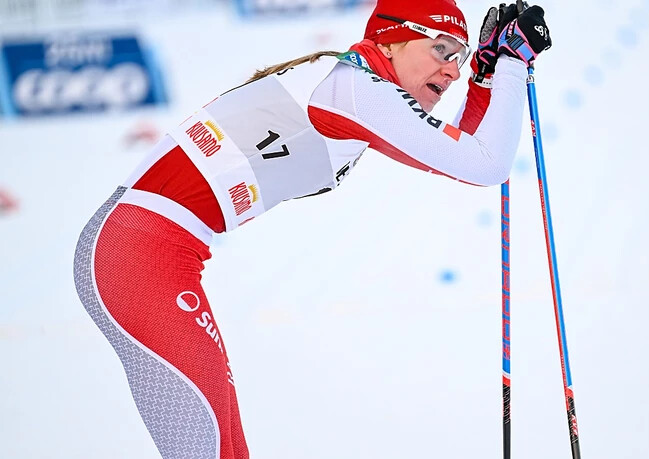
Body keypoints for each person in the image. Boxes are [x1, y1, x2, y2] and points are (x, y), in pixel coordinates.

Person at [73, 0, 551, 457]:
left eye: (460, 57)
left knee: (228, 449)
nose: (452, 69)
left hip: (146, 251)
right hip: (135, 253)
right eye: (441, 49)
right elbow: (486, 164)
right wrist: (511, 64)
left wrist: (485, 77)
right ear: (391, 40)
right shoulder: (356, 91)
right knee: (210, 447)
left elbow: (464, 150)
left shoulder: (357, 86)